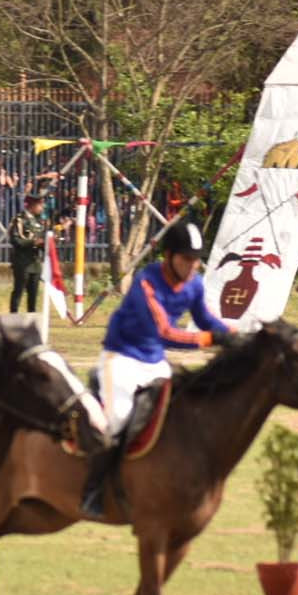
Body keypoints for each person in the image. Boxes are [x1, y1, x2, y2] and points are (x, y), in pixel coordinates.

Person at [82, 221, 229, 518]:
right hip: (121, 358)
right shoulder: (146, 283)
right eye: (186, 258)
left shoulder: (194, 284)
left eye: (196, 259)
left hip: (153, 362)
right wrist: (211, 339)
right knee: (116, 419)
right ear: (169, 255)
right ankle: (93, 490)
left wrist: (233, 337)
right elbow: (165, 332)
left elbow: (205, 319)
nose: (192, 265)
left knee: (181, 416)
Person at [7, 190, 52, 313]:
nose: (42, 208)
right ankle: (13, 316)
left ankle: (32, 316)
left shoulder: (38, 222)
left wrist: (48, 243)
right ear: (32, 205)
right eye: (40, 205)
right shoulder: (20, 220)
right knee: (19, 290)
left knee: (34, 293)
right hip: (22, 262)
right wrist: (33, 242)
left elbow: (42, 239)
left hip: (35, 262)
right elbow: (15, 240)